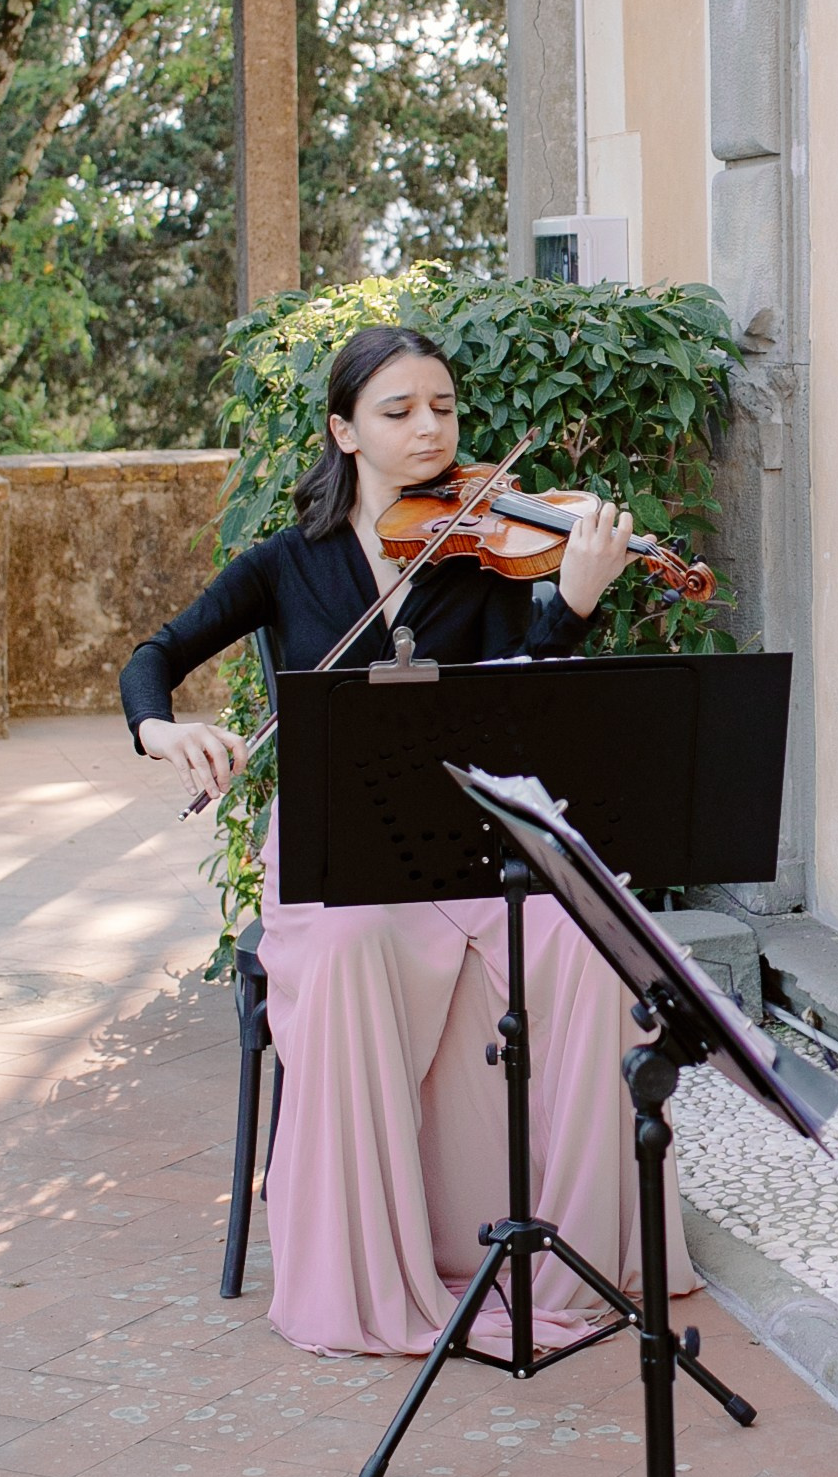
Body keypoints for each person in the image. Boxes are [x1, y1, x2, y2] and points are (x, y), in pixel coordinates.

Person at [122, 323, 697, 1361]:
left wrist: (569, 602)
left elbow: (521, 704)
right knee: (349, 953)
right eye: (398, 411)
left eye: (442, 406)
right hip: (343, 844)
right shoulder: (285, 566)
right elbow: (155, 656)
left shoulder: (480, 547)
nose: (429, 427)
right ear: (345, 430)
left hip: (470, 832)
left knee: (588, 944)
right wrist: (167, 727)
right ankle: (375, 1261)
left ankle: (567, 1239)